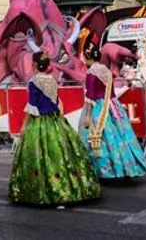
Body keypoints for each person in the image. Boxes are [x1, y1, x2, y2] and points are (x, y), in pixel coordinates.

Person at [9, 51, 100, 206]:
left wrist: (24, 126)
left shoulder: (33, 82)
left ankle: (42, 190)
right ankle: (68, 187)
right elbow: (56, 101)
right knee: (61, 153)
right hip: (55, 119)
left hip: (39, 123)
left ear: (35, 65)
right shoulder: (52, 79)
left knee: (38, 155)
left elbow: (33, 106)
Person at [79, 39, 146, 181]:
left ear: (88, 58)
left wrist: (87, 115)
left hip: (99, 108)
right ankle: (126, 167)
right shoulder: (107, 71)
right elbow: (111, 93)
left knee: (99, 138)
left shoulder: (91, 73)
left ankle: (105, 170)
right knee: (119, 137)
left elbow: (90, 96)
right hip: (113, 106)